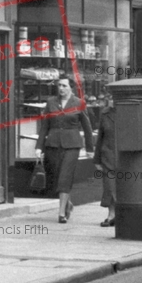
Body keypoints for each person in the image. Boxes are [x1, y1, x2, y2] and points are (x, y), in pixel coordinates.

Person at [35, 78, 94, 224]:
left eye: (64, 86)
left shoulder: (79, 103)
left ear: (71, 88)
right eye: (59, 86)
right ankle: (67, 204)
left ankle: (61, 213)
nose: (60, 88)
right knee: (55, 178)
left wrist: (90, 148)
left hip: (72, 145)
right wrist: (39, 147)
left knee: (65, 177)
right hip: (53, 144)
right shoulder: (51, 102)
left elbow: (87, 127)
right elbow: (45, 126)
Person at [93, 95, 117, 227]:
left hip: (123, 156)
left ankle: (119, 214)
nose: (112, 100)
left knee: (121, 187)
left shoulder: (127, 112)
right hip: (107, 155)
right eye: (111, 98)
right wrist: (97, 160)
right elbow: (100, 137)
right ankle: (111, 214)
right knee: (109, 186)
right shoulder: (105, 113)